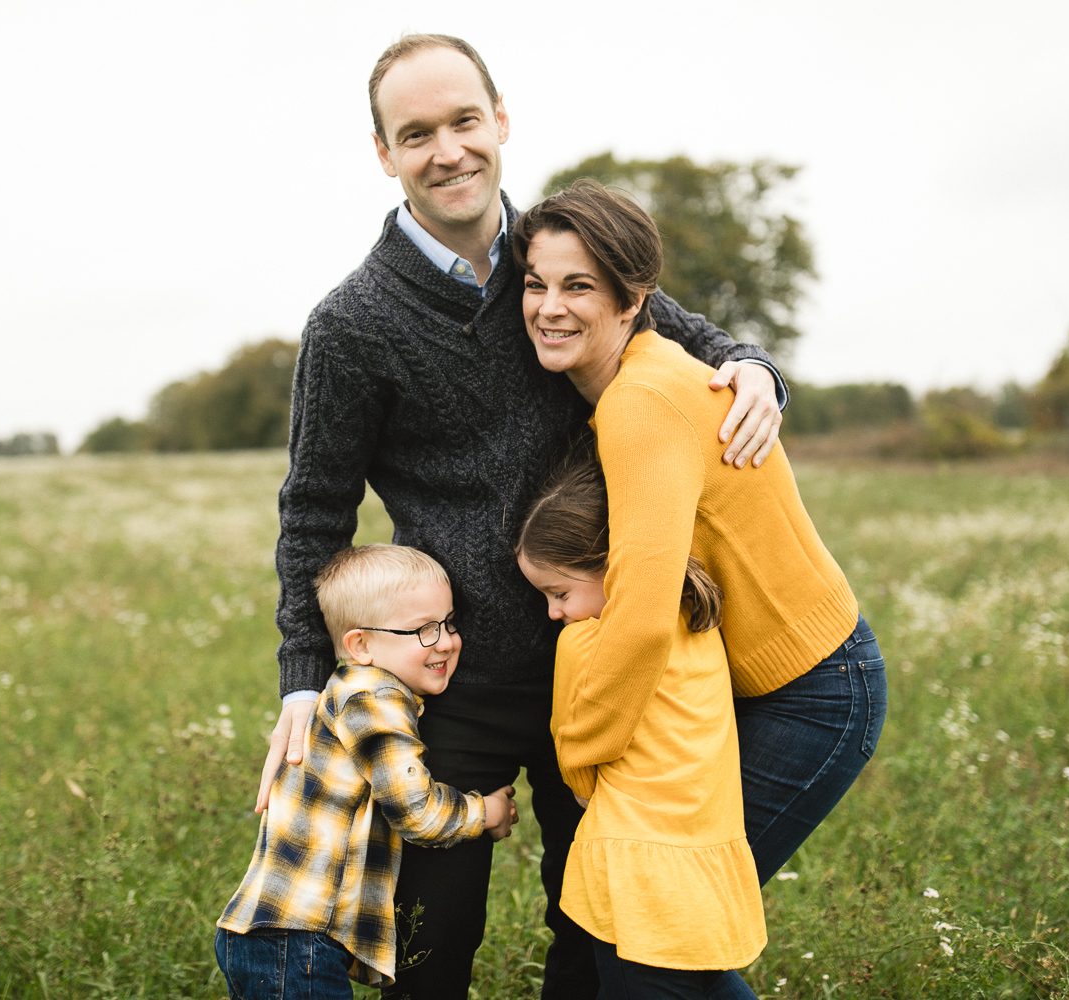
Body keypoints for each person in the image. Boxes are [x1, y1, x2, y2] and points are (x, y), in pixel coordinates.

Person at [261, 34, 789, 1000]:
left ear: (500, 122)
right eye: (415, 133)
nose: (447, 149)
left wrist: (757, 369)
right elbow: (313, 514)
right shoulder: (352, 324)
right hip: (451, 668)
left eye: (464, 121)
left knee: (592, 923)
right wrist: (304, 679)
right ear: (384, 154)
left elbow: (695, 336)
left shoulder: (560, 263)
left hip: (601, 650)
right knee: (433, 933)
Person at [513, 179, 888, 889]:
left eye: (578, 286)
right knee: (660, 931)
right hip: (766, 684)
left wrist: (581, 757)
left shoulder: (641, 401)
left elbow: (645, 616)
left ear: (633, 301)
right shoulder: (635, 383)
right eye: (536, 285)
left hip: (813, 688)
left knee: (670, 922)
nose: (550, 307)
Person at [216, 544, 519, 999]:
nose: (446, 641)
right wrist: (486, 812)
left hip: (284, 934)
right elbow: (416, 811)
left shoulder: (357, 688)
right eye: (423, 630)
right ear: (361, 644)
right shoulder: (374, 698)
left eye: (449, 622)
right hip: (295, 937)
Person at [516, 453, 766, 999]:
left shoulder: (584, 642)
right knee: (700, 984)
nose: (554, 613)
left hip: (634, 862)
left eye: (559, 593)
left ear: (613, 564)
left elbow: (572, 741)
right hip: (702, 848)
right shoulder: (698, 620)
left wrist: (584, 791)